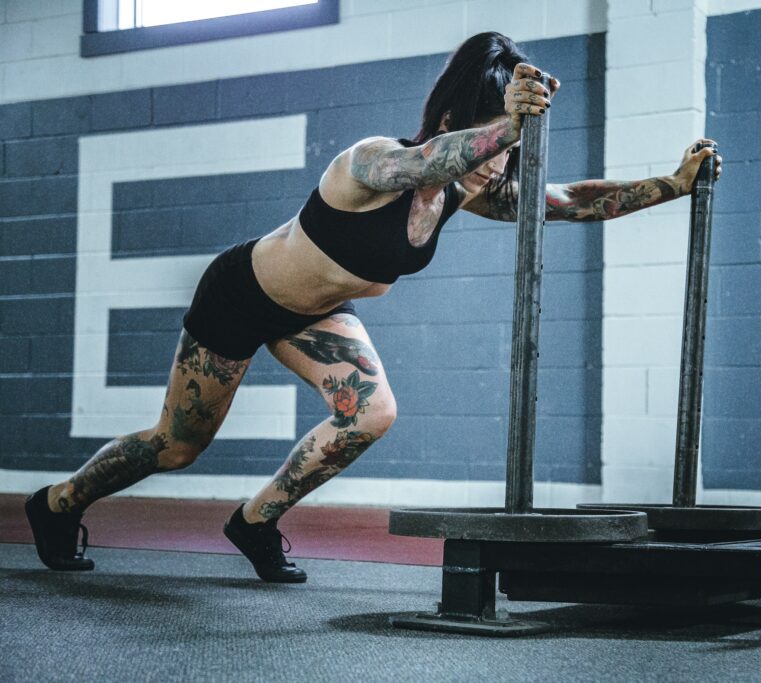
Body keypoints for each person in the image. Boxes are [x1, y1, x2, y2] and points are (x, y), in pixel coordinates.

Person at [24, 32, 723, 583]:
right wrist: (508, 128)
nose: (495, 171)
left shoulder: (471, 185)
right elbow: (429, 163)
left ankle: (255, 519)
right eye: (487, 144)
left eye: (503, 154)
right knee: (176, 445)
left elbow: (567, 202)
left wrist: (672, 183)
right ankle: (56, 503)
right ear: (452, 123)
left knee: (373, 411)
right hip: (241, 296)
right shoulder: (374, 163)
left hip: (313, 314)